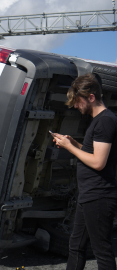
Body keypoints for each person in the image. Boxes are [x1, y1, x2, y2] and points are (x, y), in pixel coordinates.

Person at [53, 73, 117, 270]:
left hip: (99, 196)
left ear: (91, 97)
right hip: (89, 194)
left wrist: (70, 148)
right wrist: (73, 144)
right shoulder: (99, 121)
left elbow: (98, 162)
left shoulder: (105, 121)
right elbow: (95, 153)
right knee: (76, 246)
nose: (75, 106)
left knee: (102, 252)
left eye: (78, 101)